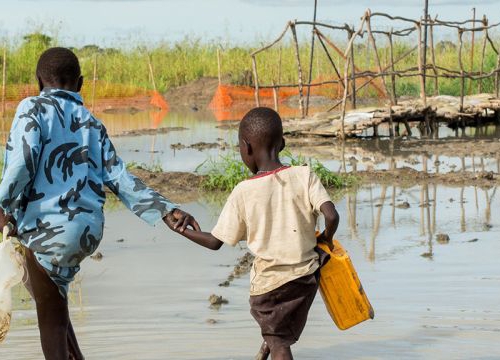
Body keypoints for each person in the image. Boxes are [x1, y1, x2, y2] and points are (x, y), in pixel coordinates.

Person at [0, 47, 199, 360]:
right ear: (80, 84)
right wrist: (165, 210)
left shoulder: (32, 107)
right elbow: (120, 178)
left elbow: (24, 161)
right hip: (87, 231)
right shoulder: (91, 123)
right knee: (55, 303)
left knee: (50, 321)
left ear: (39, 81)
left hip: (47, 231)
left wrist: (3, 207)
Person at [165, 107, 340, 360]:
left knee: (280, 344)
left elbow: (215, 242)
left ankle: (272, 347)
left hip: (270, 288)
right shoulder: (305, 175)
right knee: (278, 332)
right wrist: (326, 238)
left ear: (246, 148)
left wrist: (179, 229)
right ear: (282, 143)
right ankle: (264, 350)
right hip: (306, 279)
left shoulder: (243, 192)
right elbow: (332, 216)